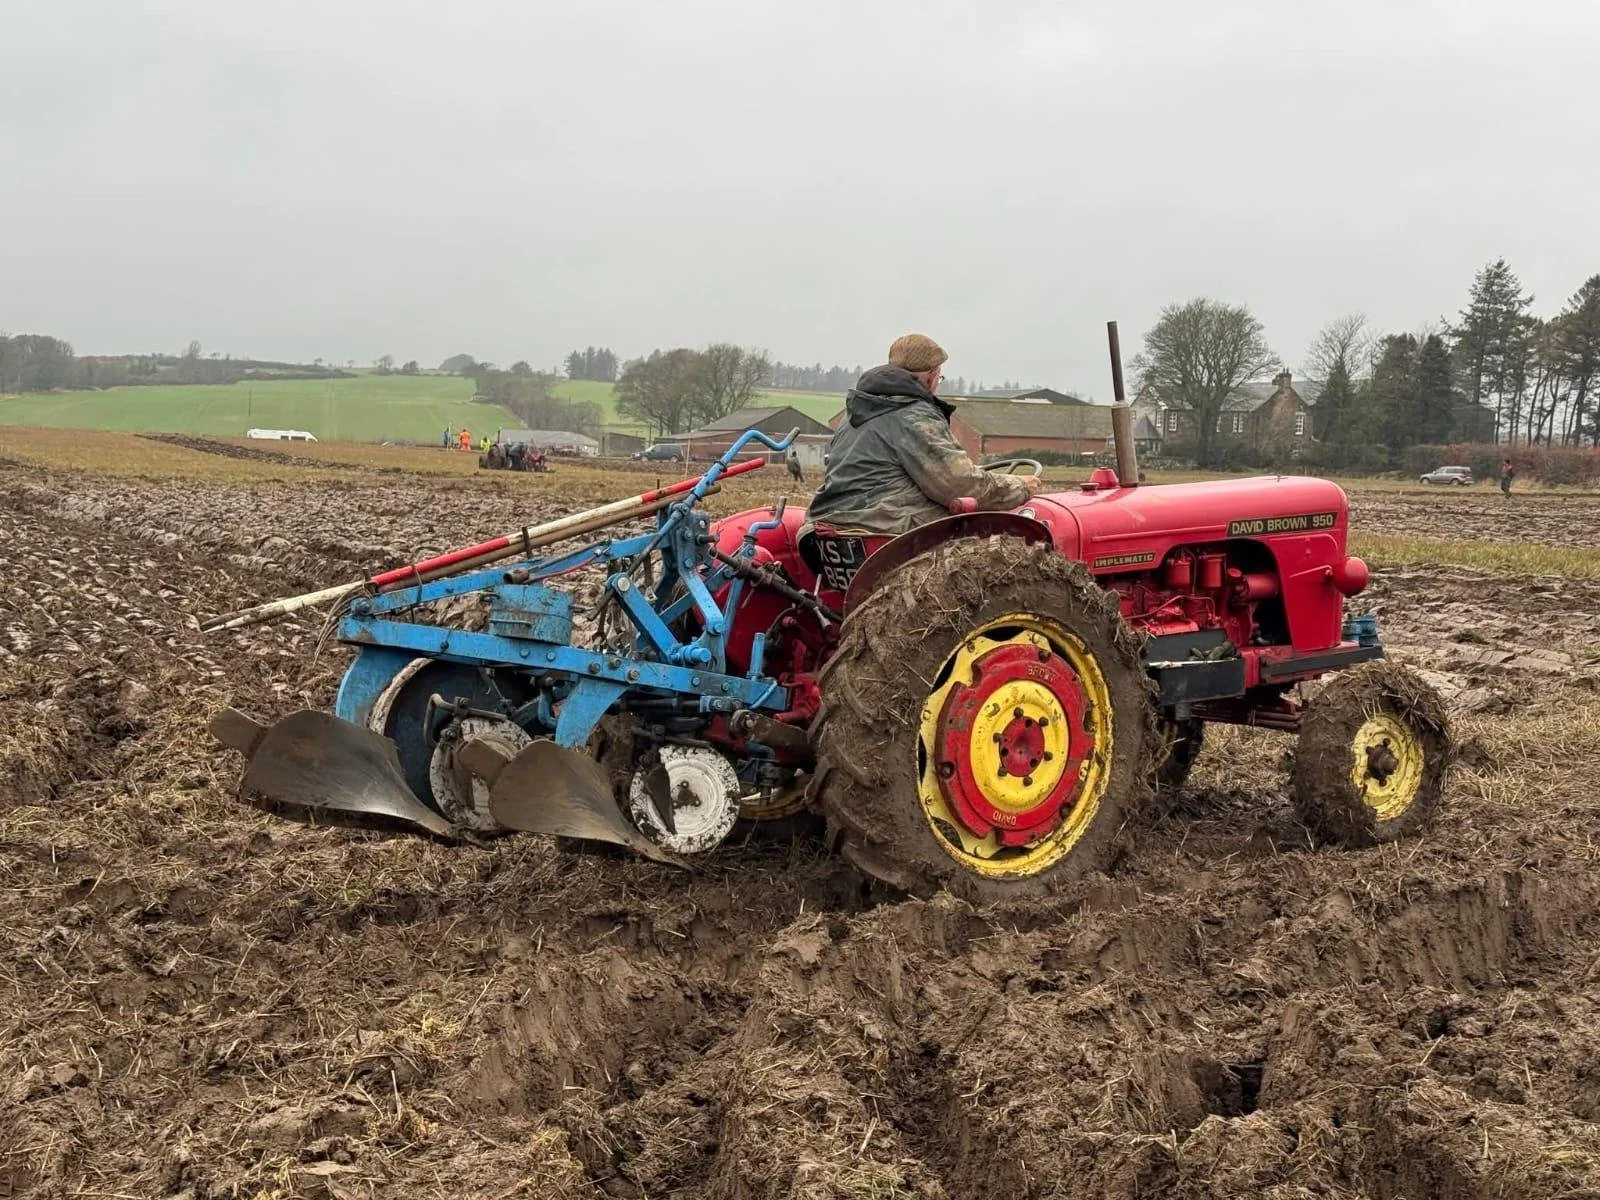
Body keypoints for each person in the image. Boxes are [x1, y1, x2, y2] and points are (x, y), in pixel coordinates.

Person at [806, 334, 1040, 535]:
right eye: (939, 377)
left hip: (830, 522)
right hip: (883, 527)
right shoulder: (913, 416)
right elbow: (959, 484)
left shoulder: (855, 413)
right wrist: (1019, 487)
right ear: (931, 376)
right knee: (984, 531)